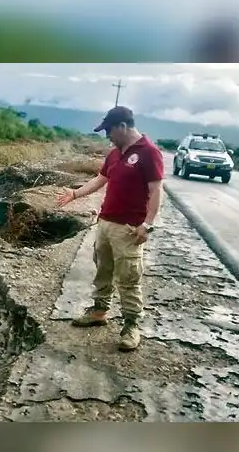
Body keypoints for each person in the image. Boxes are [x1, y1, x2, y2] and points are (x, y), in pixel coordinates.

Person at [56, 106, 164, 351]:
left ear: (122, 127)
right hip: (105, 223)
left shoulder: (149, 152)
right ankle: (99, 311)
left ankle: (131, 326)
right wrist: (75, 193)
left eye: (109, 131)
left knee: (128, 278)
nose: (107, 136)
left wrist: (148, 224)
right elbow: (101, 179)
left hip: (128, 228)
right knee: (103, 269)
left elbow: (156, 190)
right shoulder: (114, 153)